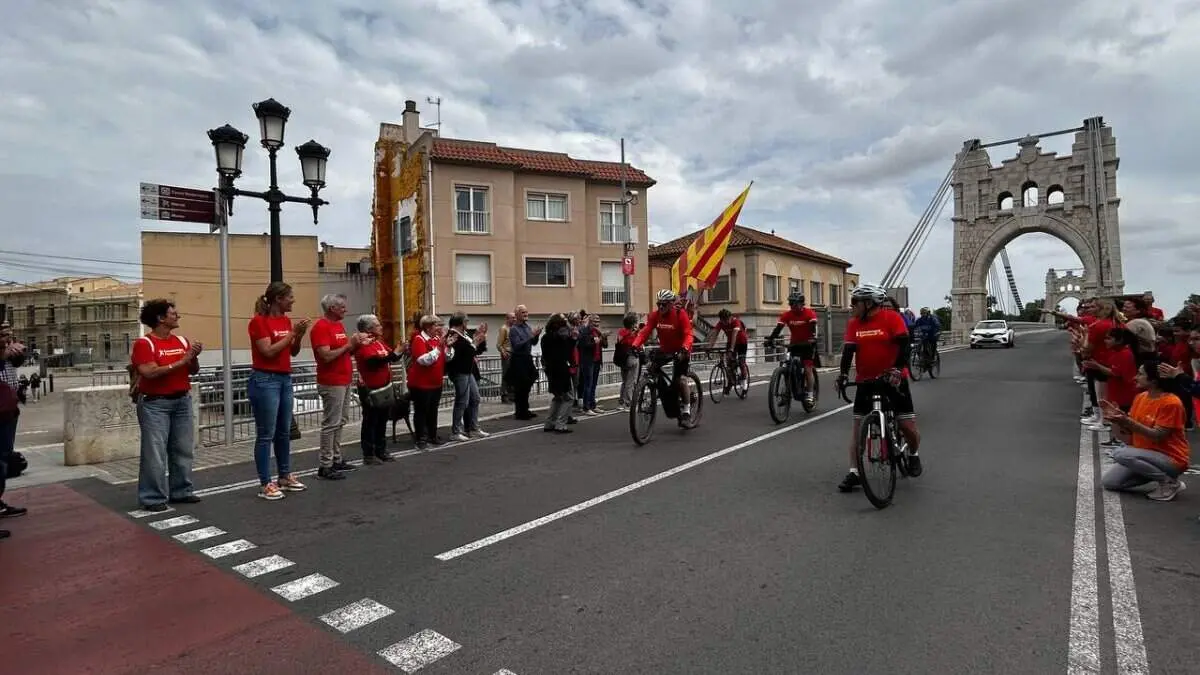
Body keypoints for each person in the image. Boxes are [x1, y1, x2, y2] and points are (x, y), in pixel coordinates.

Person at [836, 283, 922, 493]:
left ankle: (913, 453)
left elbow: (904, 345)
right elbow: (848, 351)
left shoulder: (891, 318)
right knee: (858, 429)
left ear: (868, 303)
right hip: (866, 380)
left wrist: (897, 368)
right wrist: (843, 375)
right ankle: (855, 472)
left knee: (907, 426)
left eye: (855, 302)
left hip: (893, 380)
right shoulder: (854, 323)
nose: (852, 305)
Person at [131, 299, 202, 512]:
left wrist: (194, 358)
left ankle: (181, 490)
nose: (177, 315)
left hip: (182, 400)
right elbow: (149, 372)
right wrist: (183, 360)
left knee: (182, 449)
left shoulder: (181, 341)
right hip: (155, 404)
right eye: (173, 313)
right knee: (155, 452)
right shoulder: (145, 344)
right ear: (161, 318)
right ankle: (152, 497)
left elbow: (193, 371)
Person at [247, 282, 310, 501]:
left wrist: (298, 335)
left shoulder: (285, 320)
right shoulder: (259, 322)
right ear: (278, 299)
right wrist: (292, 333)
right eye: (289, 297)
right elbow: (268, 351)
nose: (293, 301)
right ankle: (265, 482)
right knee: (266, 433)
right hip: (265, 379)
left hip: (284, 378)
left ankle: (284, 475)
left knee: (284, 430)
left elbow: (292, 351)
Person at [1100, 363, 1190, 501]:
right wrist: (1117, 421)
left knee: (1120, 453)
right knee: (1110, 482)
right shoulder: (1140, 397)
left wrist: (1128, 421)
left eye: (1140, 374)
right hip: (1144, 456)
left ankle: (1168, 482)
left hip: (1171, 459)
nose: (1136, 378)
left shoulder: (1171, 403)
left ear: (1153, 381)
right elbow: (1129, 438)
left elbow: (1158, 436)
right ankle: (1163, 478)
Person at [310, 293, 362, 481]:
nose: (345, 310)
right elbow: (325, 356)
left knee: (341, 420)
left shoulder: (338, 326)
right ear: (332, 308)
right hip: (331, 381)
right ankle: (325, 464)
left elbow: (345, 352)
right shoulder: (321, 327)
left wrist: (355, 346)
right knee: (331, 423)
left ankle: (336, 458)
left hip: (344, 379)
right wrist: (349, 346)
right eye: (342, 307)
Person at [631, 289, 695, 422]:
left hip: (681, 350)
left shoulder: (680, 314)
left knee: (681, 380)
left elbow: (688, 334)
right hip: (665, 350)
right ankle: (657, 393)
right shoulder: (655, 315)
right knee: (651, 369)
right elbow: (645, 332)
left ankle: (687, 408)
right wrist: (635, 345)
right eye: (658, 304)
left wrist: (684, 348)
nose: (660, 307)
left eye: (664, 304)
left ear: (671, 304)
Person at [353, 314, 403, 464]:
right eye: (377, 325)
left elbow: (391, 357)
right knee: (370, 421)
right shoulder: (364, 344)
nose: (381, 327)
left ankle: (381, 450)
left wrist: (400, 351)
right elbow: (372, 362)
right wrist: (394, 353)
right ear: (368, 329)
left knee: (382, 420)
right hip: (370, 389)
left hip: (384, 387)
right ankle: (369, 454)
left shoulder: (379, 343)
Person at [1084, 328, 1137, 449]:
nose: (1106, 341)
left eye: (1109, 338)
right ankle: (1115, 440)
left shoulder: (1125, 354)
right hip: (1115, 390)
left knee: (1120, 417)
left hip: (1124, 391)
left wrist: (1097, 366)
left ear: (1119, 340)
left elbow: (1116, 373)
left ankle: (1121, 443)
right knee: (1114, 416)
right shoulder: (1116, 352)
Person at [0, 323, 28, 538]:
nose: (6, 337)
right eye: (2, 334)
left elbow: (15, 364)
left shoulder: (7, 348)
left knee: (4, 456)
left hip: (8, 408)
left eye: (7, 333)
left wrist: (17, 353)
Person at [766, 291, 819, 404]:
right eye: (791, 304)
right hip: (794, 344)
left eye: (794, 304)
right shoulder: (787, 315)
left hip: (807, 344)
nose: (792, 307)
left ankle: (810, 395)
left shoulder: (809, 313)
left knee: (808, 368)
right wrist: (770, 339)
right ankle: (787, 393)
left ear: (801, 304)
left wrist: (813, 338)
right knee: (788, 365)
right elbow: (778, 329)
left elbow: (813, 327)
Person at [446, 312, 489, 441]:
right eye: (466, 321)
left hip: (468, 371)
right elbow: (463, 353)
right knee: (462, 401)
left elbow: (476, 351)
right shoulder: (453, 335)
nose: (467, 324)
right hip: (460, 371)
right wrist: (475, 343)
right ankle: (456, 430)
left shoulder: (463, 335)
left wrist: (480, 339)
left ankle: (473, 427)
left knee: (475, 398)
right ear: (460, 322)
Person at [407, 315, 447, 449]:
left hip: (436, 382)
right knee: (421, 411)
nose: (439, 328)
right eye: (437, 325)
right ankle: (421, 439)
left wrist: (447, 346)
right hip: (421, 383)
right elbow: (423, 360)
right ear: (428, 327)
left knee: (433, 410)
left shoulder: (437, 339)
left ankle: (432, 435)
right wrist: (438, 349)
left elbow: (447, 357)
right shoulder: (419, 339)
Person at [540, 313, 575, 433]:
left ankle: (549, 423)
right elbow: (567, 351)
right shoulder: (561, 337)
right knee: (569, 397)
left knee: (558, 397)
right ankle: (561, 424)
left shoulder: (545, 337)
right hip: (561, 369)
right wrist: (573, 338)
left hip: (550, 369)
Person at [508, 305, 541, 420]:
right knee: (520, 386)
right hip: (518, 359)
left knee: (527, 384)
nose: (526, 314)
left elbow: (532, 343)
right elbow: (516, 346)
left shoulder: (527, 327)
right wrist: (530, 336)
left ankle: (525, 409)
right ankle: (520, 412)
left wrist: (536, 336)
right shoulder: (514, 329)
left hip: (527, 358)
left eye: (526, 312)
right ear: (517, 315)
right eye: (523, 312)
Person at [707, 309, 748, 393]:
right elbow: (715, 334)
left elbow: (734, 335)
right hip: (730, 342)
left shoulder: (736, 322)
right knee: (729, 364)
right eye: (723, 320)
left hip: (741, 342)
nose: (725, 322)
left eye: (726, 320)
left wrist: (731, 350)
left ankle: (744, 384)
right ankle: (731, 382)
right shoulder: (721, 323)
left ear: (730, 317)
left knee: (741, 362)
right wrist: (709, 347)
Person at [614, 313, 639, 410]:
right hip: (631, 357)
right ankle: (628, 403)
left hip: (622, 358)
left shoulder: (621, 332)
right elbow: (637, 343)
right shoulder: (634, 333)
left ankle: (621, 402)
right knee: (630, 381)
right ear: (633, 324)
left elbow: (619, 341)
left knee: (624, 381)